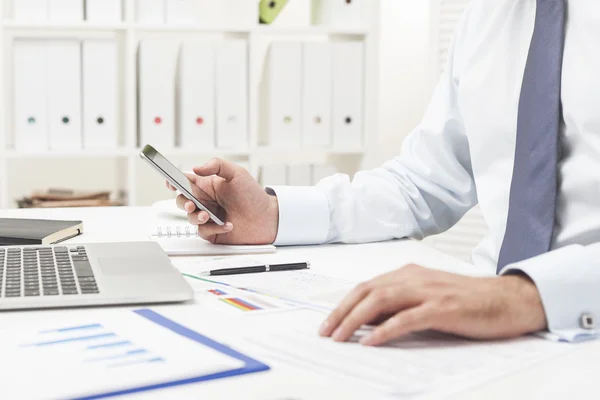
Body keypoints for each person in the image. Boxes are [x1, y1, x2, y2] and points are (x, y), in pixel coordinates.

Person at [168, 0, 600, 345]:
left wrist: (529, 295)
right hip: (487, 325)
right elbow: (424, 182)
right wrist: (274, 215)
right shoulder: (487, 15)